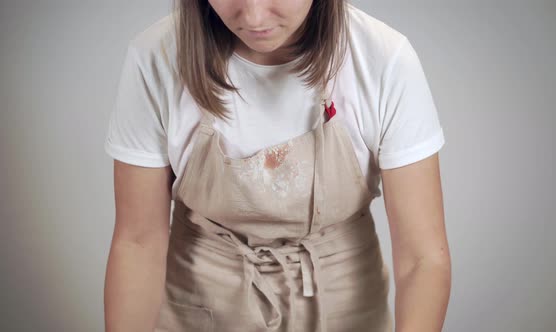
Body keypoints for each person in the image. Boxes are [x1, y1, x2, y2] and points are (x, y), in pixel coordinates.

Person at [103, 0, 451, 331]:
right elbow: (138, 242)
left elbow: (422, 258)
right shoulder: (156, 57)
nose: (253, 17)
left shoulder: (383, 59)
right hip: (199, 306)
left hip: (346, 307)